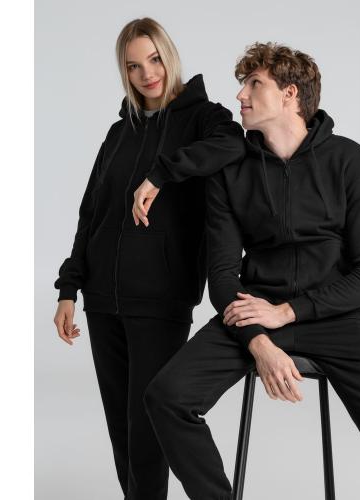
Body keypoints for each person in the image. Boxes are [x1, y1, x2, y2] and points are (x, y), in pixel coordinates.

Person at [143, 42, 360, 500]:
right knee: (166, 397)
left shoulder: (351, 162)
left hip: (334, 318)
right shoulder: (230, 171)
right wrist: (258, 341)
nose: (240, 95)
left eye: (254, 84)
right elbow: (221, 275)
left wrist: (287, 312)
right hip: (253, 313)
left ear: (290, 94)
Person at [53, 17, 245, 500]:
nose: (147, 74)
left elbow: (232, 145)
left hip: (160, 299)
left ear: (169, 55)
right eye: (134, 66)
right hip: (102, 299)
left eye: (154, 59)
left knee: (148, 430)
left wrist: (162, 174)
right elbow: (91, 213)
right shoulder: (119, 133)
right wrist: (69, 288)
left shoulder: (204, 118)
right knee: (122, 431)